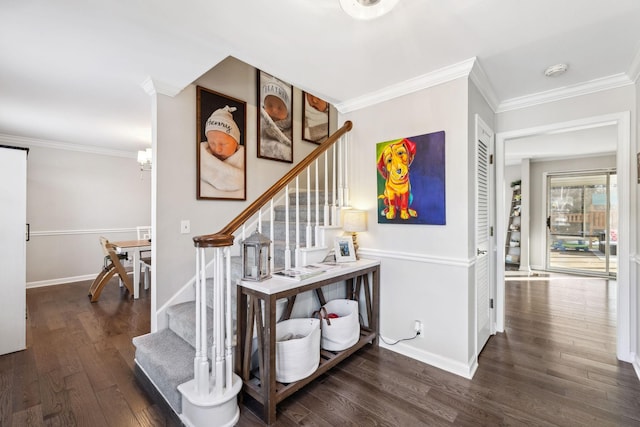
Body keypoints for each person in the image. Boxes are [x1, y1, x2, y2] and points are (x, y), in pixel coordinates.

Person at [199, 105, 245, 199]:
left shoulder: (247, 160)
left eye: (223, 144)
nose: (217, 149)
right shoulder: (201, 156)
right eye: (212, 143)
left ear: (236, 143)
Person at [260, 74, 292, 161]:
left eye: (280, 107)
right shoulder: (261, 120)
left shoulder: (291, 127)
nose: (274, 111)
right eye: (269, 105)